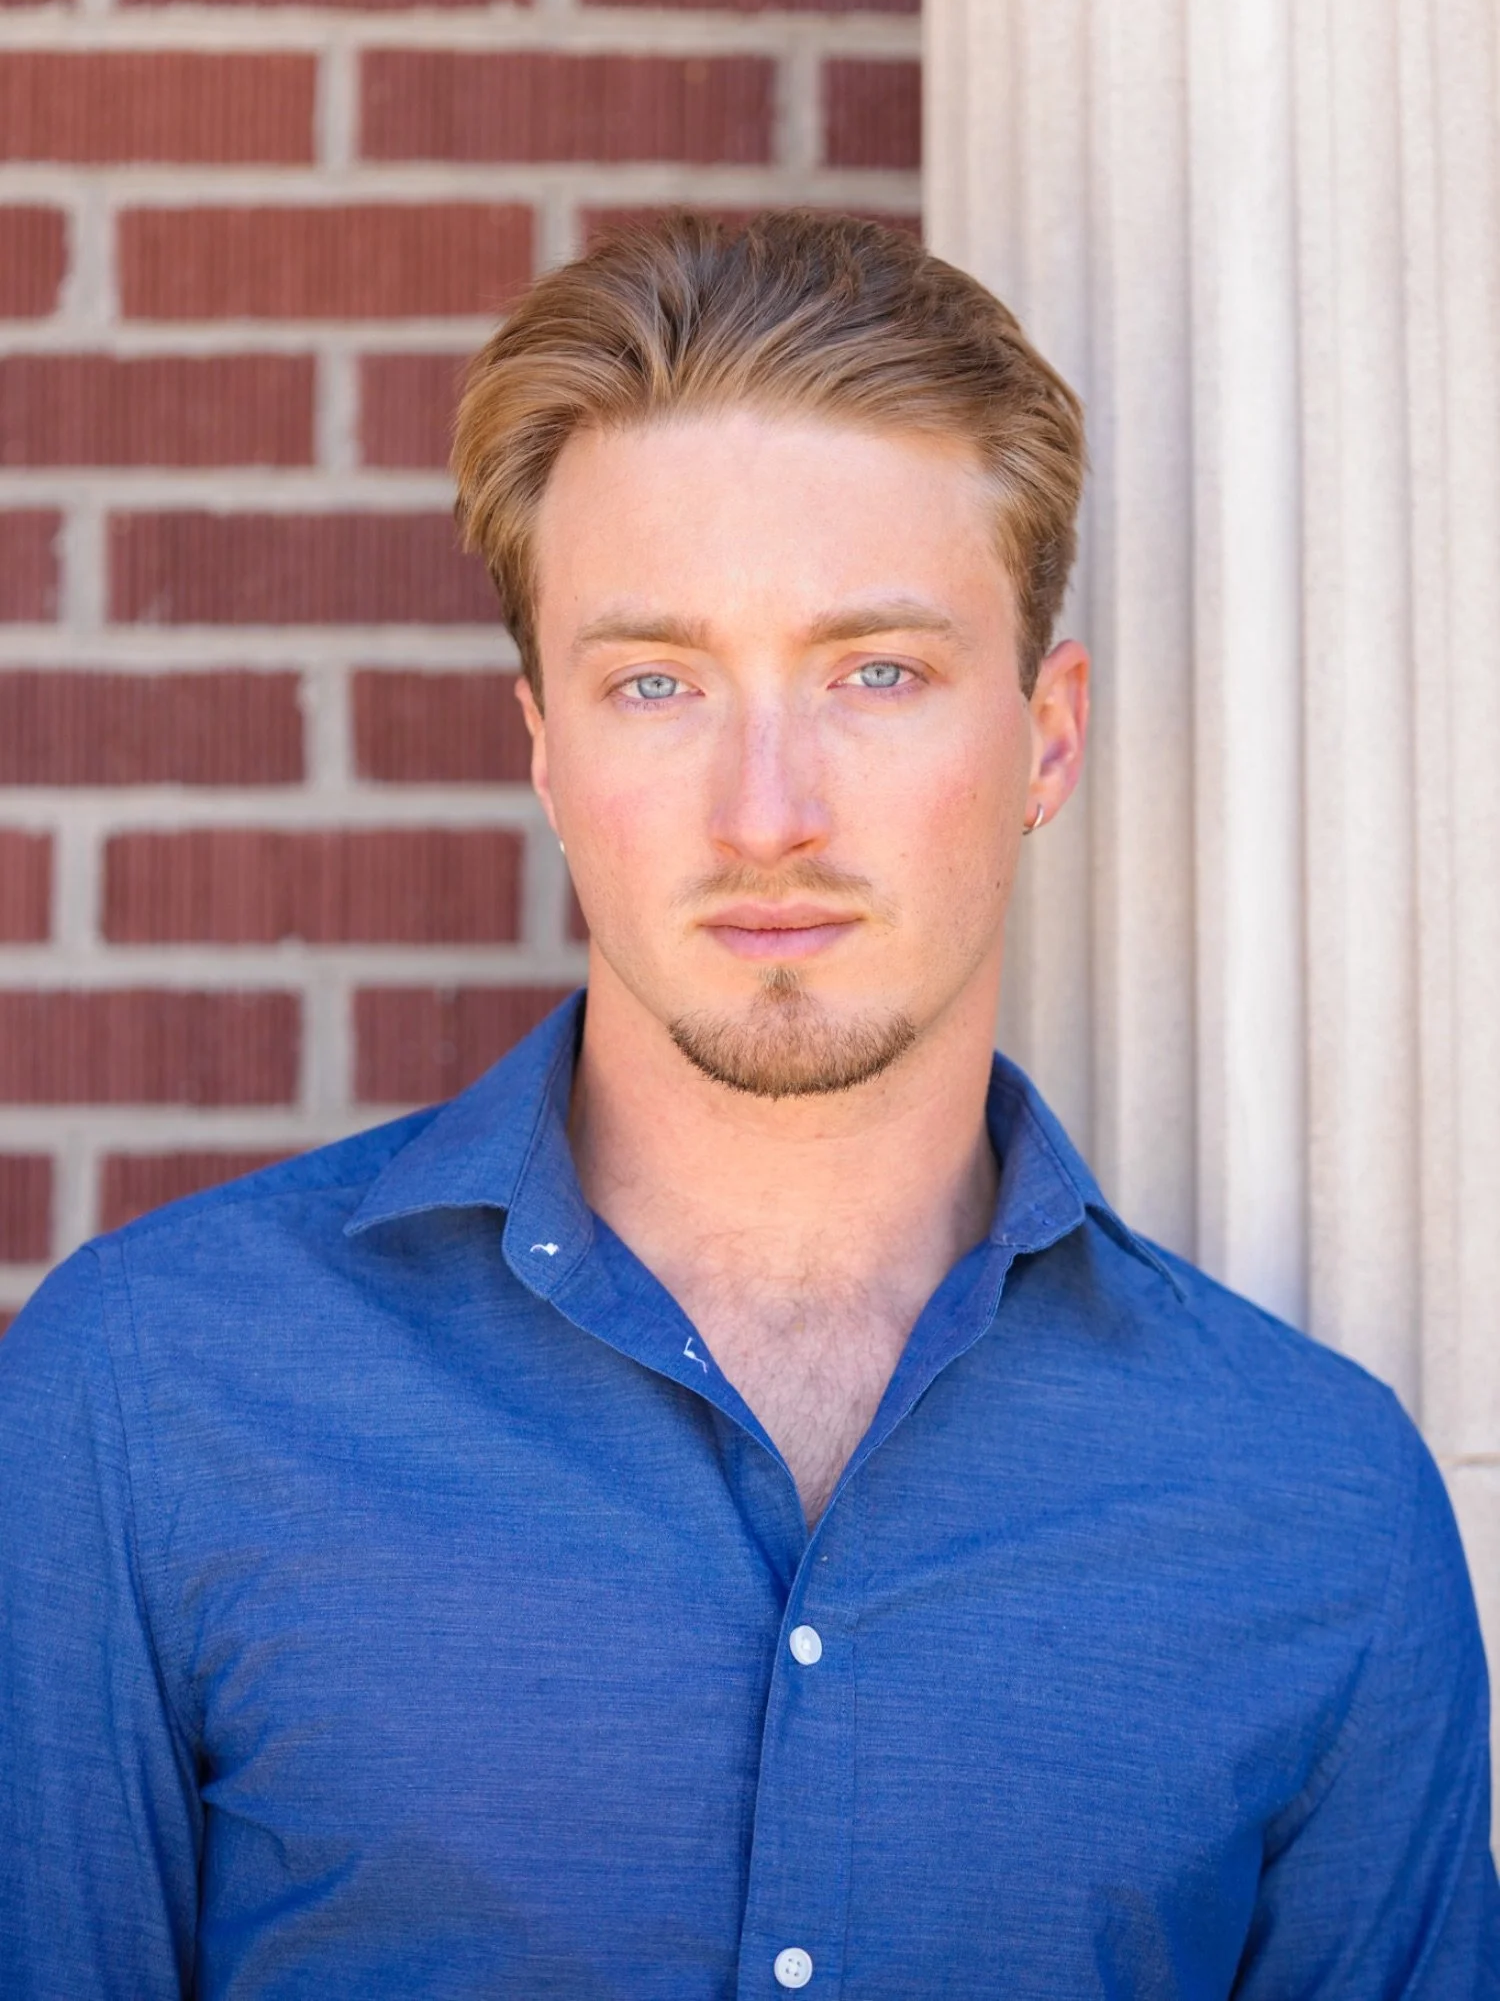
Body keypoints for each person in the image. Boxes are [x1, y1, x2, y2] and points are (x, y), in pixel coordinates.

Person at [1, 213, 1495, 1998]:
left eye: (877, 670)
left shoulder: (1316, 1502)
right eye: (659, 682)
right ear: (546, 747)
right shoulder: (147, 1401)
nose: (767, 806)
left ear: (1046, 737)